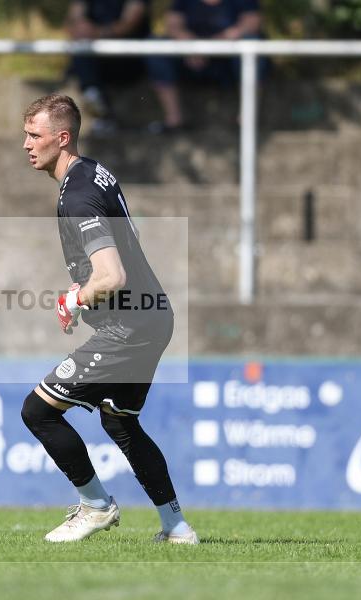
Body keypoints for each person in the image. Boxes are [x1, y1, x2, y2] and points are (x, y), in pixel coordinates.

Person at [20, 94, 198, 544]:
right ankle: (176, 528)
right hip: (153, 317)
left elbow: (112, 274)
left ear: (62, 138)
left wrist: (74, 299)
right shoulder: (94, 172)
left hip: (131, 327)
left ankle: (96, 506)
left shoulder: (77, 195)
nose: (26, 144)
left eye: (34, 135)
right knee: (120, 421)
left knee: (38, 411)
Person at [148, 0, 262, 131]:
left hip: (228, 62)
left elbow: (251, 24)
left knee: (251, 46)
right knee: (156, 46)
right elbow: (172, 26)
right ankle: (174, 120)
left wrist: (209, 47)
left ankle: (246, 121)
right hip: (189, 60)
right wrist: (190, 45)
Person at [65, 0, 153, 133]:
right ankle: (94, 97)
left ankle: (97, 102)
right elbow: (73, 19)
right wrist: (80, 27)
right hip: (95, 59)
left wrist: (98, 33)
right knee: (80, 51)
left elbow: (130, 23)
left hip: (130, 59)